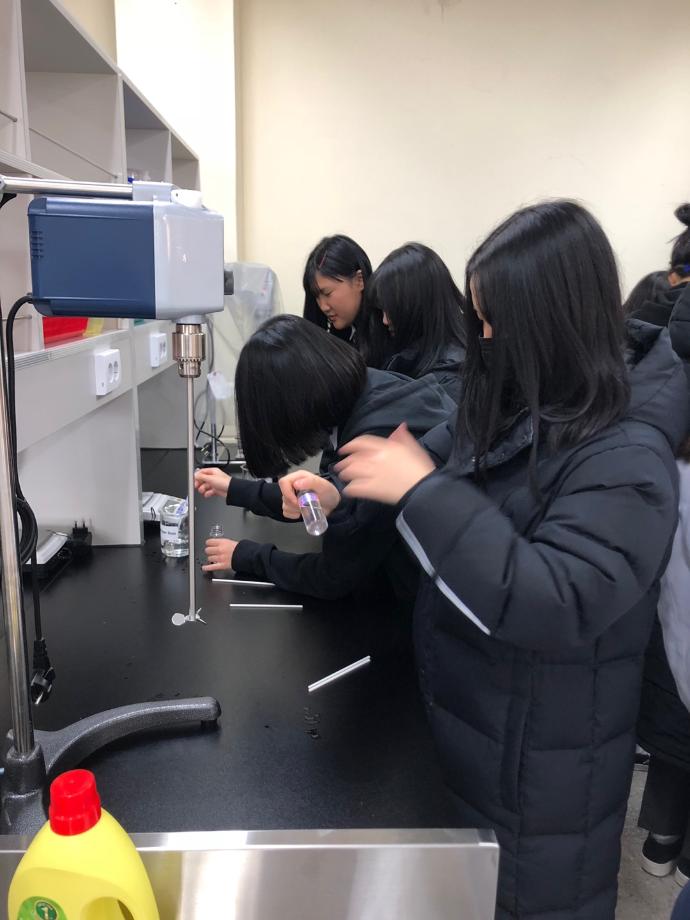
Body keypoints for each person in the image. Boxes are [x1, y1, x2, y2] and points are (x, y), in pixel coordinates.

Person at [330, 200, 687, 919]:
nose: (485, 338)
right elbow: (434, 453)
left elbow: (554, 600)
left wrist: (422, 493)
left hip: (547, 771)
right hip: (483, 732)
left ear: (550, 320)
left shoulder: (629, 454)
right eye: (479, 319)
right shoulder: (523, 398)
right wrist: (339, 489)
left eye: (496, 321)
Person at [194, 315, 455, 600]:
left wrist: (245, 555)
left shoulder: (376, 441)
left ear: (287, 408)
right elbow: (326, 496)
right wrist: (234, 489)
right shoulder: (369, 388)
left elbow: (334, 576)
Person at [362, 242, 466, 399]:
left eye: (391, 310)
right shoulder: (409, 354)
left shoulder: (450, 377)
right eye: (381, 310)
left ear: (417, 306)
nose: (385, 320)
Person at [302, 234, 379, 347]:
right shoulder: (341, 336)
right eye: (316, 297)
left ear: (359, 280)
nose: (323, 307)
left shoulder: (387, 332)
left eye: (327, 293)